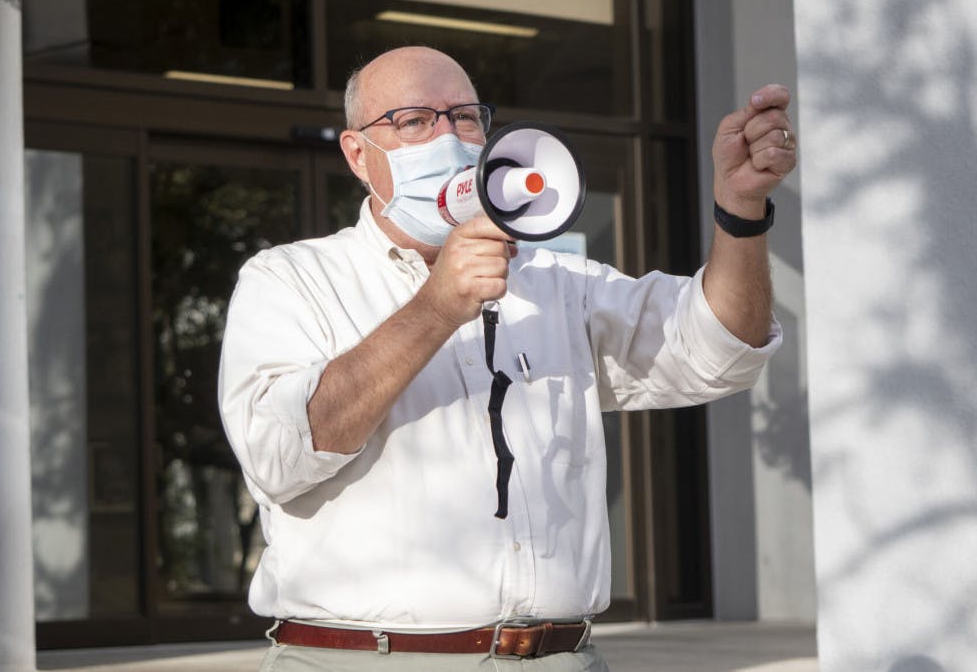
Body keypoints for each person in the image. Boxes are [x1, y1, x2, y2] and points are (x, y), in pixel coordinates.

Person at [219, 46, 795, 671]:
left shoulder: (557, 281)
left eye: (465, 117)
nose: (448, 137)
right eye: (414, 121)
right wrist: (437, 308)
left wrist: (740, 212)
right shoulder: (291, 279)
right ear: (360, 155)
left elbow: (719, 350)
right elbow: (280, 454)